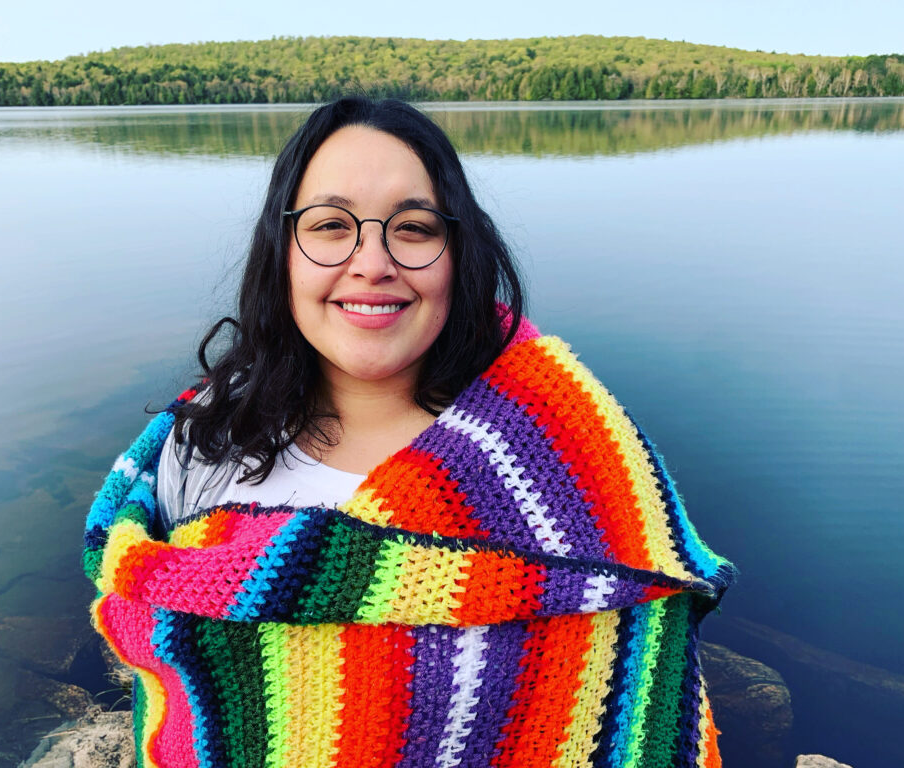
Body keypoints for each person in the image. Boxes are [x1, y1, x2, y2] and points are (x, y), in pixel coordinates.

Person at [84, 97, 734, 768]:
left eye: (415, 228)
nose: (372, 263)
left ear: (459, 252)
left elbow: (638, 666)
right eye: (332, 225)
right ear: (282, 253)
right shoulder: (201, 446)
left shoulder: (567, 458)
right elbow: (178, 688)